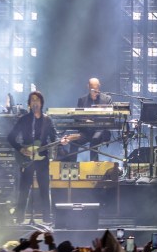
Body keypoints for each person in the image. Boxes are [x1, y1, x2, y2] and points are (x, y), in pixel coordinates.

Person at [8, 91, 67, 225]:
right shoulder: (23, 119)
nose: (35, 102)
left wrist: (61, 141)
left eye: (37, 100)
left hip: (42, 159)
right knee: (24, 189)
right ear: (29, 104)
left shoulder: (47, 120)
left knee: (44, 189)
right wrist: (21, 149)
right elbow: (10, 137)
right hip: (26, 159)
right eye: (32, 100)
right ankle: (20, 218)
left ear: (41, 103)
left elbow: (54, 138)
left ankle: (47, 218)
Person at [66, 78, 113, 162]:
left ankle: (93, 165)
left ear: (99, 86)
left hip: (101, 130)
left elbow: (110, 117)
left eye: (96, 88)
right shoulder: (82, 100)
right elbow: (77, 117)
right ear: (88, 87)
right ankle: (72, 166)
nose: (94, 91)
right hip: (86, 131)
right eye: (92, 89)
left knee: (94, 140)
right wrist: (85, 121)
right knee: (73, 140)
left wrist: (95, 120)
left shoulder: (107, 99)